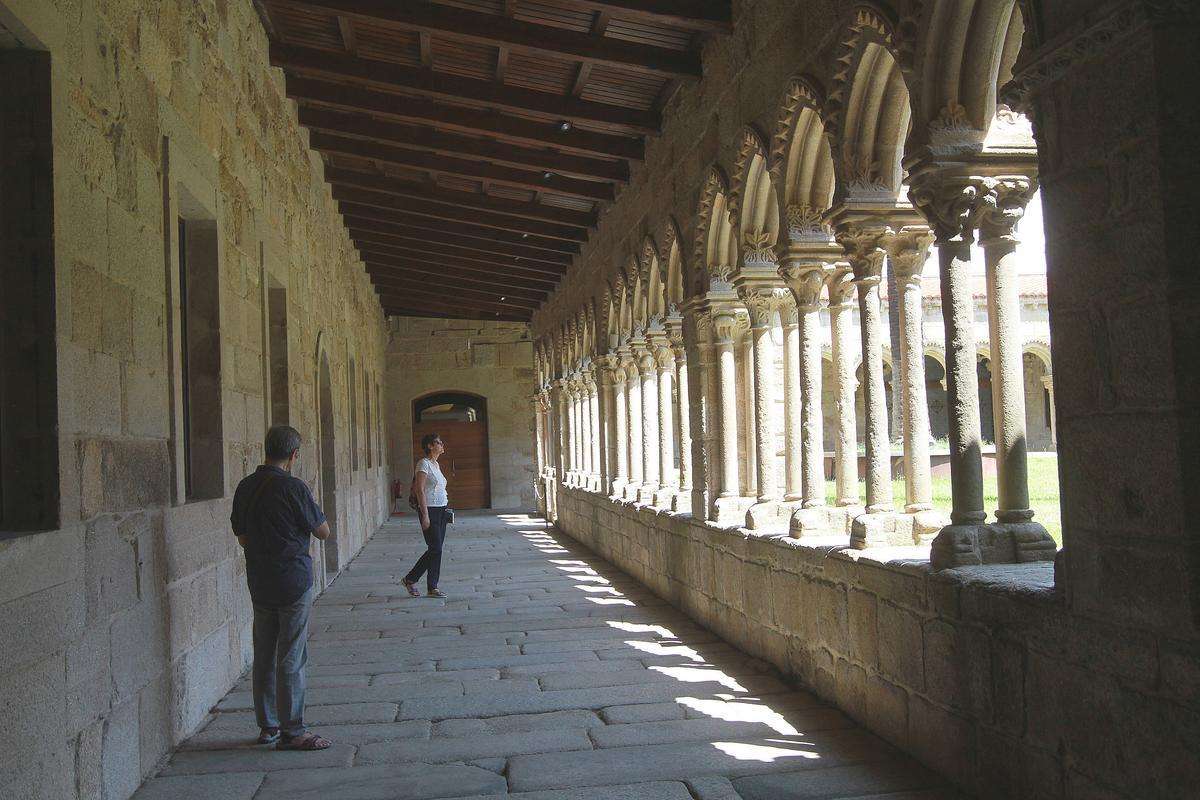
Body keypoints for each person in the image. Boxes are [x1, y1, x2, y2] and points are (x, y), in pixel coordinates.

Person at [230, 425, 332, 751]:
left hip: (260, 581)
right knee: (291, 655)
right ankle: (293, 730)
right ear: (294, 455)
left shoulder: (245, 486)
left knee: (264, 654)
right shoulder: (294, 488)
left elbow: (243, 537)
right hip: (293, 581)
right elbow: (323, 532)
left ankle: (268, 726)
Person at [402, 432, 450, 598]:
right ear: (430, 446)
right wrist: (425, 515)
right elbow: (419, 490)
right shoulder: (423, 464)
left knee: (437, 549)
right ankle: (410, 579)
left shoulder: (436, 465)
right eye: (439, 442)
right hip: (430, 509)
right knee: (435, 548)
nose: (442, 445)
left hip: (442, 509)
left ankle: (432, 587)